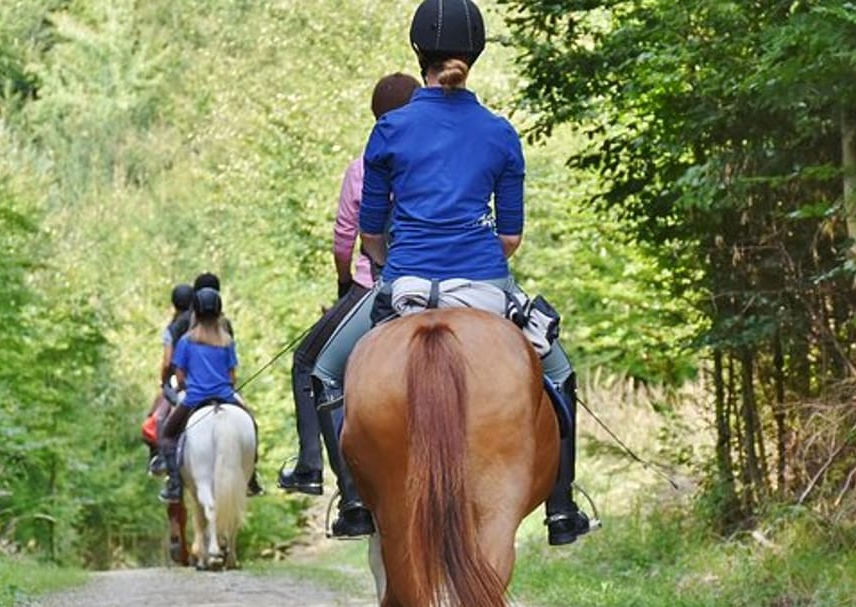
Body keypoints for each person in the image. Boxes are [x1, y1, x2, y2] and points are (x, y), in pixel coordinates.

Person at [311, 0, 594, 545]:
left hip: (407, 284)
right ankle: (562, 509)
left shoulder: (390, 128)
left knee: (325, 372)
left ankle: (353, 502)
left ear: (419, 52)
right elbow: (510, 238)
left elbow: (371, 231)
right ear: (475, 56)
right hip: (485, 285)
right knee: (559, 377)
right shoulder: (500, 132)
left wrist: (396, 264)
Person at [278, 73, 421, 538]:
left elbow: (348, 239)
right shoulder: (435, 158)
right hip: (455, 279)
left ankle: (329, 480)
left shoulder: (365, 166)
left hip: (379, 284)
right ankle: (559, 499)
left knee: (311, 365)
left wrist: (346, 281)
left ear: (377, 117)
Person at [158, 287, 257, 502]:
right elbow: (232, 377)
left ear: (196, 312)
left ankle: (174, 484)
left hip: (194, 398)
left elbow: (180, 376)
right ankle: (252, 478)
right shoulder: (227, 341)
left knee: (166, 435)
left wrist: (190, 386)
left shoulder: (185, 341)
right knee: (252, 425)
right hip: (226, 396)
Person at [144, 283, 195, 475]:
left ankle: (160, 458)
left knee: (157, 419)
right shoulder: (205, 324)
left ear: (174, 304)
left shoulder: (173, 329)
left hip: (180, 379)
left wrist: (165, 382)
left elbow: (167, 363)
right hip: (214, 380)